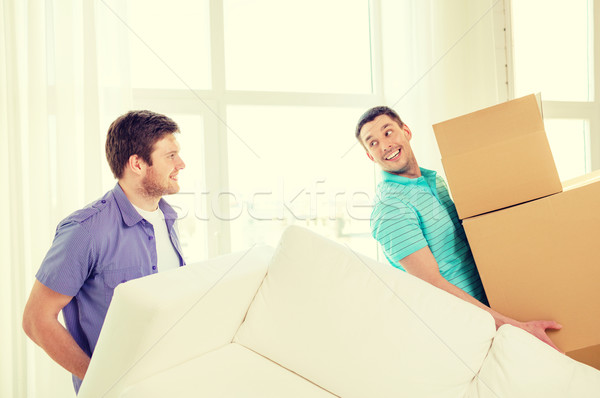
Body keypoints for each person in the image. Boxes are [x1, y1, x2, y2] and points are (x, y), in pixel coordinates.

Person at [355, 106, 562, 350]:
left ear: (406, 131)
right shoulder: (390, 209)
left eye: (388, 133)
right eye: (373, 143)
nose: (384, 145)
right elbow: (432, 283)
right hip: (467, 330)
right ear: (370, 156)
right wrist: (512, 327)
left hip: (495, 309)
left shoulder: (434, 180)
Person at [22, 110, 187, 393]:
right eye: (170, 155)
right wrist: (100, 380)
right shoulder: (84, 230)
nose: (181, 164)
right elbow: (36, 321)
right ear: (137, 163)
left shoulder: (167, 220)